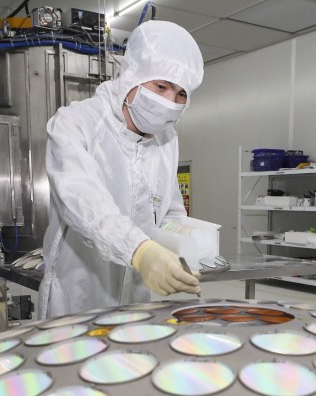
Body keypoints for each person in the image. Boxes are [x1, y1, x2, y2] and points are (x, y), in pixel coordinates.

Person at [38, 20, 203, 318]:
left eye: (181, 94)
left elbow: (170, 210)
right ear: (131, 77)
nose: (169, 102)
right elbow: (83, 201)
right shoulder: (76, 123)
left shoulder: (167, 140)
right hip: (78, 294)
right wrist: (141, 251)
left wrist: (191, 245)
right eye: (161, 86)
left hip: (136, 295)